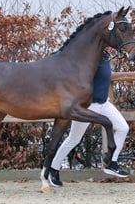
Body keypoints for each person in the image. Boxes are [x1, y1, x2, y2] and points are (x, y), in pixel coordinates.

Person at [48, 50, 130, 187]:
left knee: (123, 128)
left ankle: (111, 163)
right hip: (87, 106)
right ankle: (53, 169)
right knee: (73, 139)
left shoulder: (105, 57)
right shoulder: (88, 56)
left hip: (104, 103)